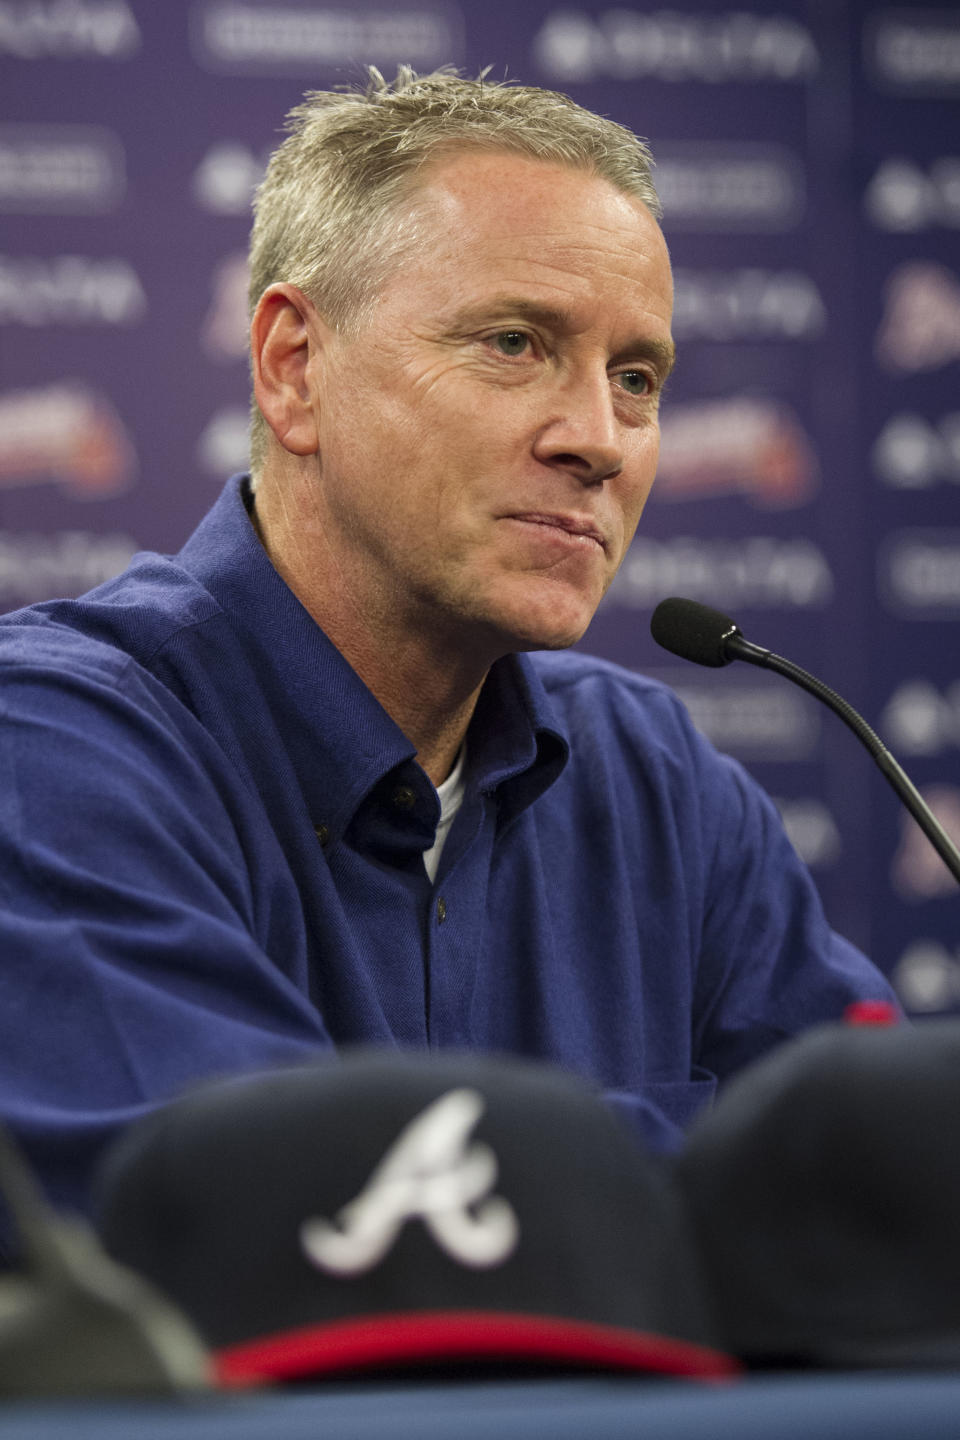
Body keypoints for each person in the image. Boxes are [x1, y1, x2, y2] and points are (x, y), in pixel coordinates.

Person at [0, 68, 896, 1248]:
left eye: (638, 378)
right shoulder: (57, 746)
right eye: (516, 344)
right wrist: (745, 1188)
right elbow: (264, 1220)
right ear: (292, 368)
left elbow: (901, 1178)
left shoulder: (663, 782)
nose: (600, 441)